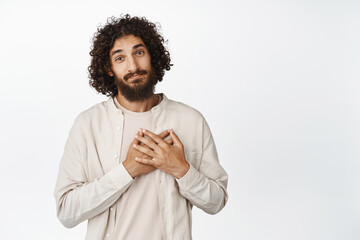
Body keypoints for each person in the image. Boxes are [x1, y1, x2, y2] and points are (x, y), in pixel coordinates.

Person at [54, 14, 228, 240]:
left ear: (152, 56)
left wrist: (181, 169)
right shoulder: (88, 125)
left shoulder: (191, 121)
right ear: (108, 68)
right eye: (120, 58)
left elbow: (217, 202)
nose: (133, 66)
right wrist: (127, 170)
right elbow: (66, 211)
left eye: (139, 52)